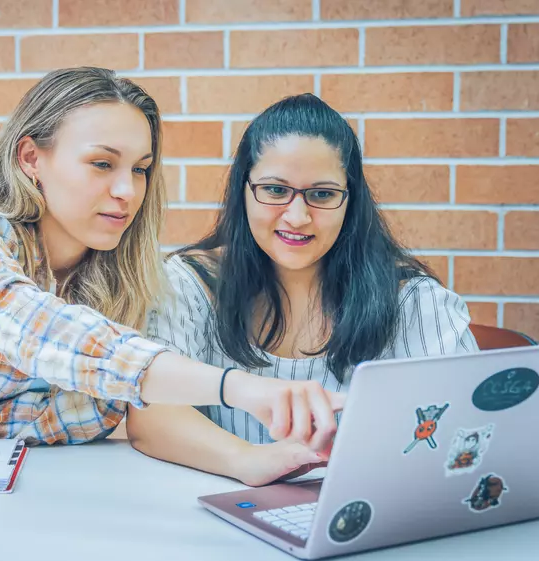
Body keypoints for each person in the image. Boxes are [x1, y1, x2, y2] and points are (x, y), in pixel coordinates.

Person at [0, 69, 342, 449]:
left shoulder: (121, 272)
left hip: (38, 482)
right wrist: (239, 388)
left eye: (141, 169)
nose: (127, 191)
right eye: (101, 163)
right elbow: (34, 331)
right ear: (30, 158)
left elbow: (97, 412)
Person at [126, 93, 479, 486]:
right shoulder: (188, 283)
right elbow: (151, 414)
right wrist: (247, 460)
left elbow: (469, 423)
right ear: (243, 190)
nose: (297, 217)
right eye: (276, 190)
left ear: (350, 199)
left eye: (322, 194)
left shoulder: (413, 300)